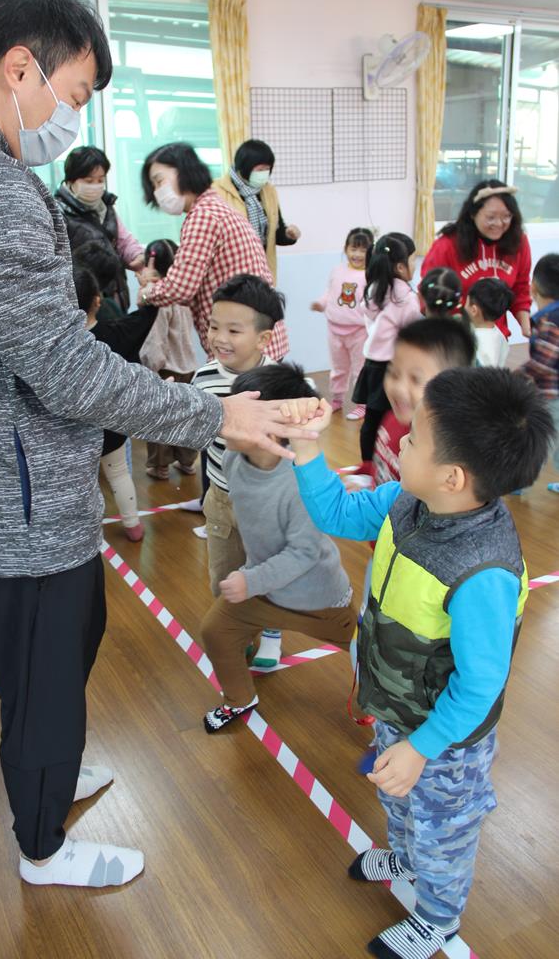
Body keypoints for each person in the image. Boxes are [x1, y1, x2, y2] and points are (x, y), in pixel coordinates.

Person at [0, 0, 318, 891]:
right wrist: (217, 412)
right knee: (44, 677)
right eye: (74, 93)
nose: (71, 116)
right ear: (20, 68)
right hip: (13, 503)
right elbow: (63, 368)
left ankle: (49, 766)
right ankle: (42, 844)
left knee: (56, 651)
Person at [288, 367, 553, 959]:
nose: (399, 440)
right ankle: (404, 857)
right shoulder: (408, 500)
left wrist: (422, 747)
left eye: (412, 439)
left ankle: (437, 918)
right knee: (398, 798)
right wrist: (306, 449)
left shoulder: (483, 572)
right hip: (397, 707)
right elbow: (338, 515)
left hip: (446, 741)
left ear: (453, 477)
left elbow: (481, 684)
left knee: (443, 832)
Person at [201, 363, 356, 731]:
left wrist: (250, 580)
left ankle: (378, 712)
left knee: (372, 653)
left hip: (317, 600)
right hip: (265, 592)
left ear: (274, 428)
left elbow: (304, 553)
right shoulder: (233, 458)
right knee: (215, 631)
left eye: (245, 408)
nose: (230, 411)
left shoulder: (301, 484)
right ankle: (240, 698)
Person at [193, 275, 288, 666]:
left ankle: (272, 632)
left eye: (233, 330)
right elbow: (198, 433)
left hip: (266, 501)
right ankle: (240, 628)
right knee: (223, 577)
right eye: (214, 326)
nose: (219, 338)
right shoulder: (204, 378)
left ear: (263, 339)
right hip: (220, 497)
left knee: (267, 571)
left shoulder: (280, 382)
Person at [138, 142, 289, 361]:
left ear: (185, 172)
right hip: (257, 341)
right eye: (154, 185)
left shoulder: (203, 216)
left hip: (244, 350)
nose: (157, 191)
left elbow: (181, 288)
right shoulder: (215, 207)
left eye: (159, 181)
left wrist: (147, 294)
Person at [72, 263, 156, 541]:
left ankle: (85, 531)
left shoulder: (61, 345)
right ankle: (133, 526)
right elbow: (146, 315)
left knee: (79, 482)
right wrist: (146, 293)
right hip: (110, 425)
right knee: (119, 474)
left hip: (72, 427)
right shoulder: (116, 333)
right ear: (98, 300)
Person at [372, 317, 476, 486]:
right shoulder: (396, 416)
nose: (398, 388)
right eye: (394, 373)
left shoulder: (441, 455)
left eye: (416, 379)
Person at [422, 180, 532, 338]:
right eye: (491, 217)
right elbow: (429, 292)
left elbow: (520, 289)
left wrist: (527, 328)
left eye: (506, 217)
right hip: (455, 336)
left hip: (494, 336)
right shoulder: (447, 245)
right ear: (473, 214)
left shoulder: (518, 242)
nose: (499, 223)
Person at [352, 233, 421, 462]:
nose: (415, 265)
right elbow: (413, 333)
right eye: (413, 260)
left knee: (371, 421)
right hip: (394, 367)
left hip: (372, 365)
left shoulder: (374, 289)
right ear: (400, 266)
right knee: (400, 420)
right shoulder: (406, 297)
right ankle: (399, 463)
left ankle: (367, 465)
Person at [55, 145, 145, 311]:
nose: (96, 186)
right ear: (71, 180)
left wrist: (137, 256)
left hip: (115, 295)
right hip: (83, 302)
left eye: (100, 180)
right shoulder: (57, 213)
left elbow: (123, 240)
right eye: (89, 181)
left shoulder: (105, 206)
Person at [139, 239, 198, 480]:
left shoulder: (159, 298)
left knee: (161, 418)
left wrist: (150, 367)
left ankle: (160, 466)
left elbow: (156, 340)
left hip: (167, 368)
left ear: (150, 263)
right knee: (186, 416)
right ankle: (187, 461)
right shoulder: (184, 293)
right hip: (188, 365)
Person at [213, 139, 300, 280]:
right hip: (230, 273)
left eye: (267, 169)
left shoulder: (269, 191)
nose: (264, 174)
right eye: (260, 170)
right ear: (244, 167)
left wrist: (289, 235)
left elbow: (275, 233)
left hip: (262, 271)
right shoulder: (217, 191)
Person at [311, 226, 373, 419]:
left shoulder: (370, 276)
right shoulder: (337, 271)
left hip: (359, 332)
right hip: (334, 329)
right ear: (346, 249)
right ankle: (337, 399)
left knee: (360, 370)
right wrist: (321, 303)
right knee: (338, 368)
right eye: (353, 249)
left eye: (363, 250)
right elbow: (329, 293)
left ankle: (363, 404)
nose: (357, 254)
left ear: (371, 251)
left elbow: (373, 303)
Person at [521, 253, 559, 493]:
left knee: (542, 440)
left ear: (532, 287)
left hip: (552, 396)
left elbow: (544, 363)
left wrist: (518, 373)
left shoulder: (550, 320)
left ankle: (520, 482)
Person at [464, 277, 514, 367]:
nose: (464, 307)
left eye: (466, 303)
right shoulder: (499, 335)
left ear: (474, 310)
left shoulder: (474, 343)